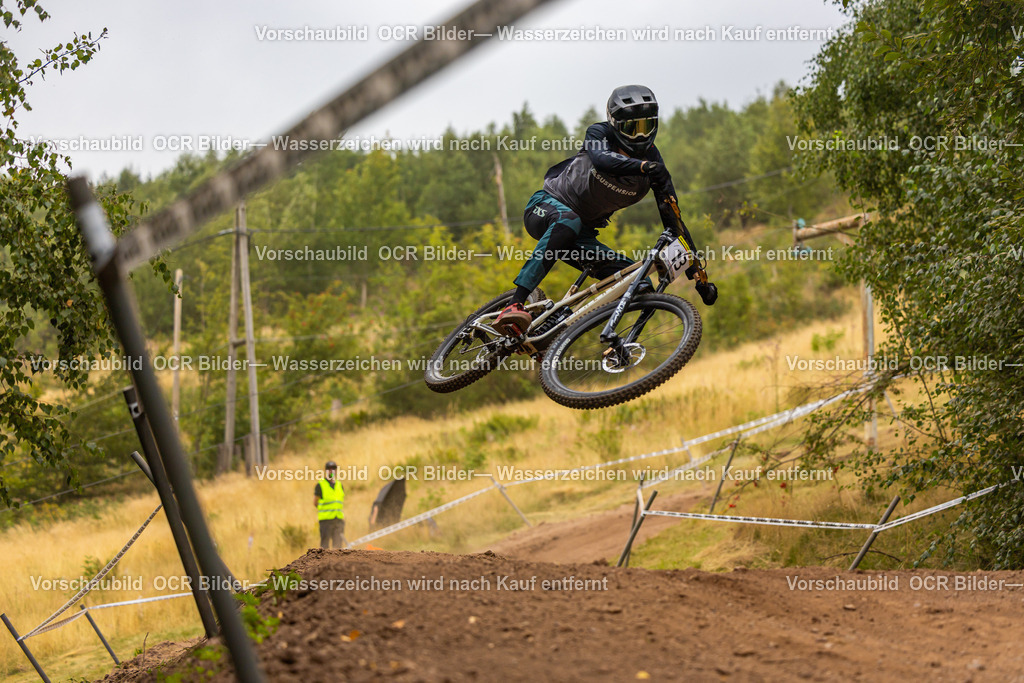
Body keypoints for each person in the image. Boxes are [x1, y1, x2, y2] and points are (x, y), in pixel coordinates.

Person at [494, 84, 684, 336]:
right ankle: (514, 304)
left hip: (579, 236)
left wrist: (696, 270)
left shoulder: (655, 166)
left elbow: (674, 222)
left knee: (638, 282)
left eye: (645, 127)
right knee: (569, 221)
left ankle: (556, 332)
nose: (639, 137)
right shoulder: (599, 133)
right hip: (545, 208)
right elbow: (601, 159)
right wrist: (644, 167)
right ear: (615, 124)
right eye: (631, 128)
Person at [314, 461, 346, 549]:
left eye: (334, 469)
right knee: (324, 547)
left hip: (338, 519)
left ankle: (337, 563)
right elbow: (315, 502)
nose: (331, 471)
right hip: (326, 521)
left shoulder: (339, 485)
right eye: (329, 469)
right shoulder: (320, 485)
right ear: (326, 470)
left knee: (338, 547)